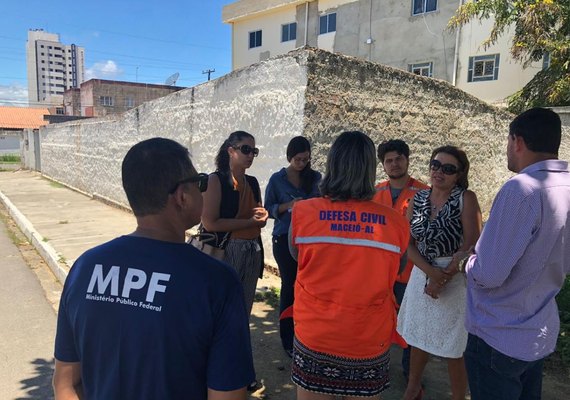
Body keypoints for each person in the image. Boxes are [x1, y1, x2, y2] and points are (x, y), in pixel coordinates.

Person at [53, 138, 255, 400]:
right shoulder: (217, 282)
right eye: (200, 183)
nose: (202, 190)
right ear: (182, 196)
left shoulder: (85, 267)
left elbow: (65, 383)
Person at [458, 108, 570, 400]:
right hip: (538, 330)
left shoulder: (522, 189)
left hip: (499, 333)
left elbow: (489, 274)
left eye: (508, 142)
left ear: (517, 141)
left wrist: (466, 263)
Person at [289, 131, 410, 399]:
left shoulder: (304, 213)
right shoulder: (396, 223)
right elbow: (397, 269)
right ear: (369, 168)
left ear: (332, 164)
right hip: (368, 338)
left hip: (315, 334)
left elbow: (299, 258)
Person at [397, 146, 482, 400]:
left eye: (448, 168)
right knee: (419, 335)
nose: (439, 172)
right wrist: (431, 274)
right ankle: (413, 387)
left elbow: (472, 245)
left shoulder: (466, 198)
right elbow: (407, 243)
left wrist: (443, 276)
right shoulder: (418, 198)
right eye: (435, 165)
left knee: (453, 345)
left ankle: (458, 397)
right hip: (422, 272)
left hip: (455, 278)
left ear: (459, 174)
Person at [201, 130, 268, 392]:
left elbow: (256, 215)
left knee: (242, 315)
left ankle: (239, 372)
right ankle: (216, 371)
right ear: (230, 150)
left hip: (252, 250)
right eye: (245, 149)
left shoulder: (252, 182)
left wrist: (260, 217)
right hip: (226, 252)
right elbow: (211, 223)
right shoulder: (215, 181)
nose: (250, 155)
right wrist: (250, 222)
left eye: (254, 150)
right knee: (221, 316)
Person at [373, 139, 429, 380]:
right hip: (379, 273)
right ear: (383, 165)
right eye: (389, 161)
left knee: (410, 324)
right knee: (378, 322)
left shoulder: (425, 193)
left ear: (407, 160)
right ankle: (376, 365)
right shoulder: (375, 192)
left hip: (411, 272)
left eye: (398, 159)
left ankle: (410, 373)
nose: (394, 164)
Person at [264, 136, 321, 356]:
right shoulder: (277, 180)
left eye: (306, 159)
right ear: (290, 157)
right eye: (298, 159)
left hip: (310, 240)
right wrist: (290, 205)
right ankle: (287, 339)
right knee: (289, 286)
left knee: (309, 287)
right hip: (283, 237)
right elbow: (268, 209)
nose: (302, 163)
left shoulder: (315, 178)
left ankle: (307, 335)